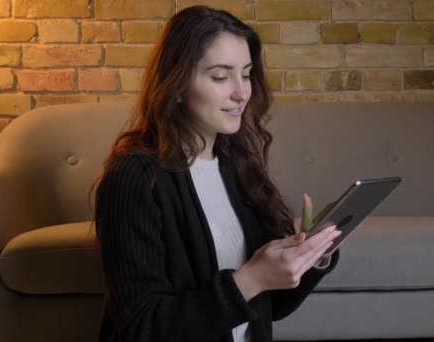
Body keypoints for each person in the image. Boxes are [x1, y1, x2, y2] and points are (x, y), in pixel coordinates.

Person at [93, 6, 341, 342]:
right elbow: (141, 328)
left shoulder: (236, 166)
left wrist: (310, 257)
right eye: (221, 77)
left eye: (247, 73)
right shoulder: (135, 176)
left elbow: (268, 307)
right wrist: (250, 279)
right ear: (177, 84)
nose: (241, 92)